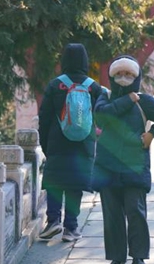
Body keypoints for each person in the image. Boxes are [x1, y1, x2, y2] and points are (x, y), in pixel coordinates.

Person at [93, 55, 154, 264]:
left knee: (136, 213)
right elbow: (101, 116)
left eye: (129, 74)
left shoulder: (144, 101)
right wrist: (126, 99)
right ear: (112, 76)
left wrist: (153, 133)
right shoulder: (105, 97)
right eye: (119, 74)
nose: (124, 77)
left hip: (135, 168)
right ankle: (117, 258)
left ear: (136, 76)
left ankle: (138, 256)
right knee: (112, 217)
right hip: (107, 167)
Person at [38, 43, 104, 242]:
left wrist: (46, 146)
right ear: (85, 61)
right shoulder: (93, 87)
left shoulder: (55, 85)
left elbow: (44, 118)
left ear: (63, 60)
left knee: (55, 182)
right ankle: (71, 228)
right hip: (83, 145)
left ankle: (53, 222)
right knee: (75, 186)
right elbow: (102, 117)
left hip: (57, 144)